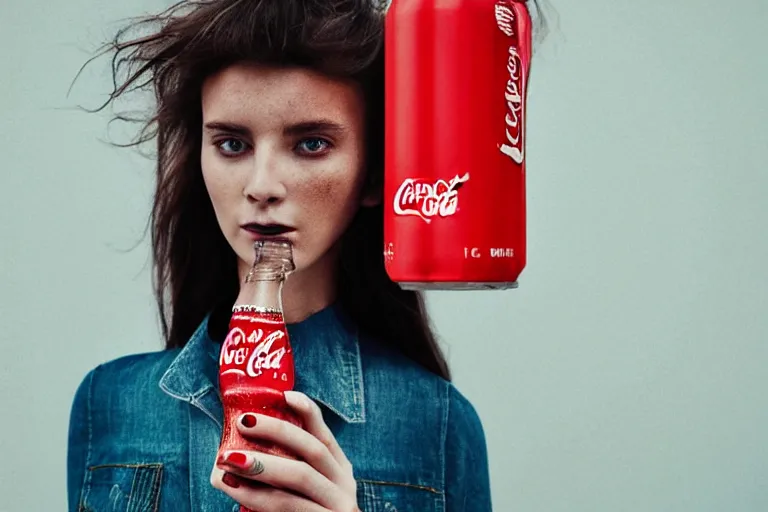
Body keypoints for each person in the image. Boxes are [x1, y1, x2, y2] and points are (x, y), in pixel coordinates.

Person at [66, 0, 519, 510]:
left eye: (311, 144)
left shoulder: (436, 424)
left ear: (373, 174)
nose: (262, 186)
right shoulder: (109, 403)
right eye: (232, 144)